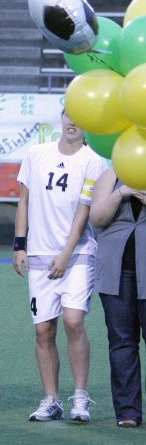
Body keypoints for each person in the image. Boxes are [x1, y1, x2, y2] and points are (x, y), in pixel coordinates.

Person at [13, 110, 105, 423]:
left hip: (77, 256)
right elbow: (23, 201)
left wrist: (66, 253)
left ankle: (80, 397)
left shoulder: (93, 160)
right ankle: (51, 399)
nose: (73, 120)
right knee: (43, 330)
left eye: (81, 115)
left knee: (74, 321)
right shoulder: (36, 154)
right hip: (38, 256)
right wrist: (19, 245)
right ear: (62, 117)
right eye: (69, 113)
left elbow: (84, 209)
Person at [90, 166, 146, 428]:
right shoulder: (111, 173)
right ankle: (127, 412)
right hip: (116, 270)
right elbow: (97, 219)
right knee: (122, 341)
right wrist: (120, 193)